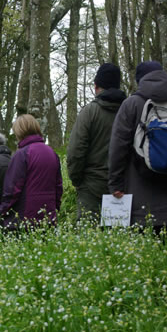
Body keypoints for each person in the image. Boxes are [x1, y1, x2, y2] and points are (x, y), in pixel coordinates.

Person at [108, 62, 167, 229]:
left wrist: (115, 184)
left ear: (140, 80)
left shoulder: (132, 104)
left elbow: (118, 147)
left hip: (139, 194)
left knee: (141, 247)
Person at [67, 63, 126, 219]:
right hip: (121, 187)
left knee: (88, 239)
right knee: (118, 238)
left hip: (91, 187)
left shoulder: (90, 112)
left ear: (96, 86)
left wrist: (77, 180)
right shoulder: (128, 111)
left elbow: (75, 151)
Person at [0, 114, 63, 229]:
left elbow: (13, 188)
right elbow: (58, 186)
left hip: (25, 217)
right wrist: (55, 208)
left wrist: (3, 210)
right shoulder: (52, 153)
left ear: (19, 131)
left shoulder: (22, 154)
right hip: (48, 216)